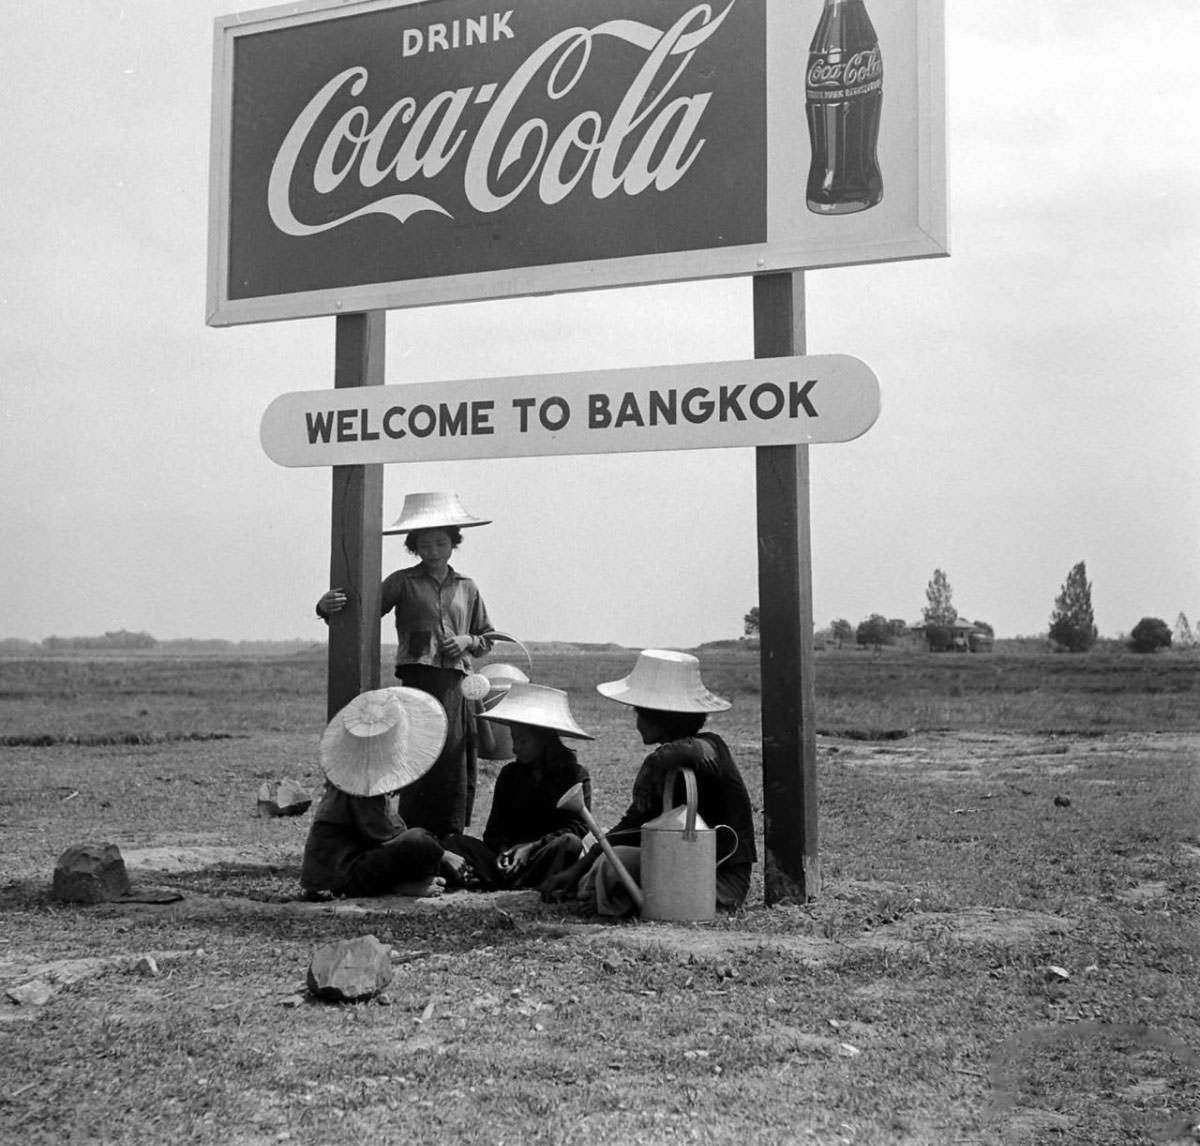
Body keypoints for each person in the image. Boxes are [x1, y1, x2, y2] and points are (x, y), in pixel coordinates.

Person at [317, 491, 494, 839]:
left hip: (456, 682)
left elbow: (487, 637)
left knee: (452, 756)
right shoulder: (402, 582)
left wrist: (466, 641)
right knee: (416, 752)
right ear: (414, 547)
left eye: (441, 543)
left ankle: (452, 835)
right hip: (417, 678)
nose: (433, 551)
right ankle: (413, 833)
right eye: (425, 545)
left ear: (453, 544)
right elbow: (361, 612)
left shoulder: (467, 587)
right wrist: (325, 607)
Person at [542, 648, 757, 914]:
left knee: (612, 864)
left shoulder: (711, 747)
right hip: (679, 868)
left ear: (661, 716)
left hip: (717, 882)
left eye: (639, 714)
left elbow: (697, 752)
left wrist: (654, 761)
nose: (637, 723)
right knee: (598, 851)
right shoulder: (668, 768)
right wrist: (575, 870)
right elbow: (630, 826)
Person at [300, 686, 459, 899]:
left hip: (342, 871)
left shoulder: (357, 776)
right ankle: (406, 885)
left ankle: (411, 881)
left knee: (426, 843)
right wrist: (442, 855)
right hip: (341, 879)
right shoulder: (360, 786)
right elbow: (389, 836)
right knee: (420, 841)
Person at [443, 682, 593, 891]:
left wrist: (531, 848)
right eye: (514, 739)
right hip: (507, 860)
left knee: (569, 843)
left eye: (522, 741)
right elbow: (494, 831)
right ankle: (508, 879)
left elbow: (578, 827)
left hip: (543, 855)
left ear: (544, 741)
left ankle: (502, 881)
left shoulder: (574, 775)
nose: (515, 748)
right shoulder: (510, 775)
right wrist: (506, 852)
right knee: (454, 842)